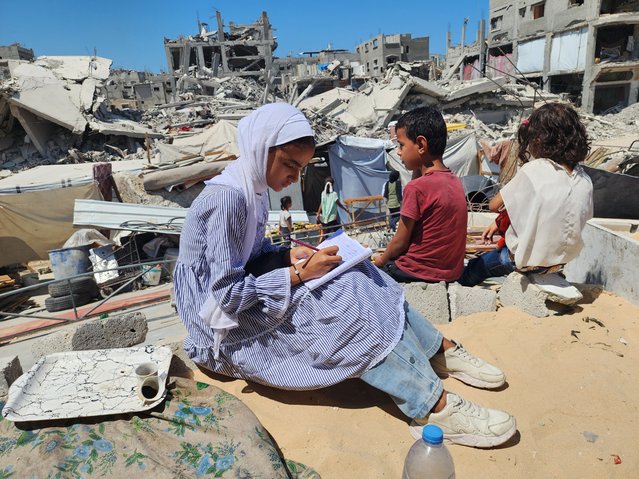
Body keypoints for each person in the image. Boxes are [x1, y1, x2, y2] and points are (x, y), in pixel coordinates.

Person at [174, 102, 516, 448]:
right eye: (289, 165)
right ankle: (433, 404)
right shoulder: (230, 199)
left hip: (242, 296)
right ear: (261, 148)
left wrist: (286, 254)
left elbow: (249, 252)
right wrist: (297, 273)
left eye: (300, 168)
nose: (294, 177)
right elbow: (225, 296)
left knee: (359, 271)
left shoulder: (253, 188)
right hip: (219, 325)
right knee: (342, 306)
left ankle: (435, 349)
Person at [458, 103, 594, 286]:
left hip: (523, 262)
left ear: (538, 140)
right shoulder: (585, 179)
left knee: (475, 267)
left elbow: (493, 205)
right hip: (561, 262)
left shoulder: (534, 170)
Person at [373, 106, 468, 284]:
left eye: (401, 145)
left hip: (416, 271)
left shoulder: (416, 189)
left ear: (421, 145)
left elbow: (400, 243)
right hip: (452, 273)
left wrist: (382, 259)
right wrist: (417, 167)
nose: (399, 152)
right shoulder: (455, 181)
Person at [316, 176, 348, 241]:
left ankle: (330, 242)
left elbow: (321, 204)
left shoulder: (323, 194)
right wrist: (345, 209)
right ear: (332, 185)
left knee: (327, 232)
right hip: (332, 218)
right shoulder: (334, 194)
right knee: (337, 231)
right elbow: (338, 204)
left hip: (325, 218)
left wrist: (318, 213)